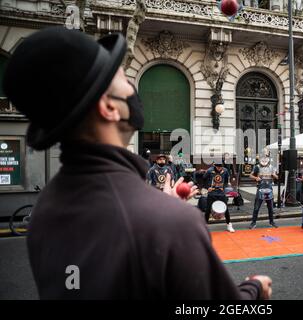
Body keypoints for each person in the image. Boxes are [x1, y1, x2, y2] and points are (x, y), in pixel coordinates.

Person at [3, 27, 272, 299]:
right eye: (122, 77)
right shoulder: (171, 223)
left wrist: (159, 210)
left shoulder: (44, 213)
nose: (133, 88)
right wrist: (255, 289)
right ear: (108, 107)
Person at [248, 156, 278, 229]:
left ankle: (272, 222)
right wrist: (256, 178)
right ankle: (253, 222)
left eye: (265, 159)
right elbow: (250, 175)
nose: (264, 160)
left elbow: (277, 177)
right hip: (260, 189)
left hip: (269, 189)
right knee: (256, 207)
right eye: (263, 159)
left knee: (270, 208)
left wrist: (274, 176)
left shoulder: (272, 167)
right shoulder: (257, 167)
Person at [204, 162, 235, 232]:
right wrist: (207, 187)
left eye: (220, 167)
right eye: (218, 167)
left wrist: (224, 187)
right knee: (208, 210)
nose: (219, 168)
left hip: (221, 193)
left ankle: (229, 224)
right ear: (215, 166)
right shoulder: (209, 170)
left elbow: (226, 181)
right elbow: (203, 179)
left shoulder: (225, 170)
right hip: (212, 193)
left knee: (226, 208)